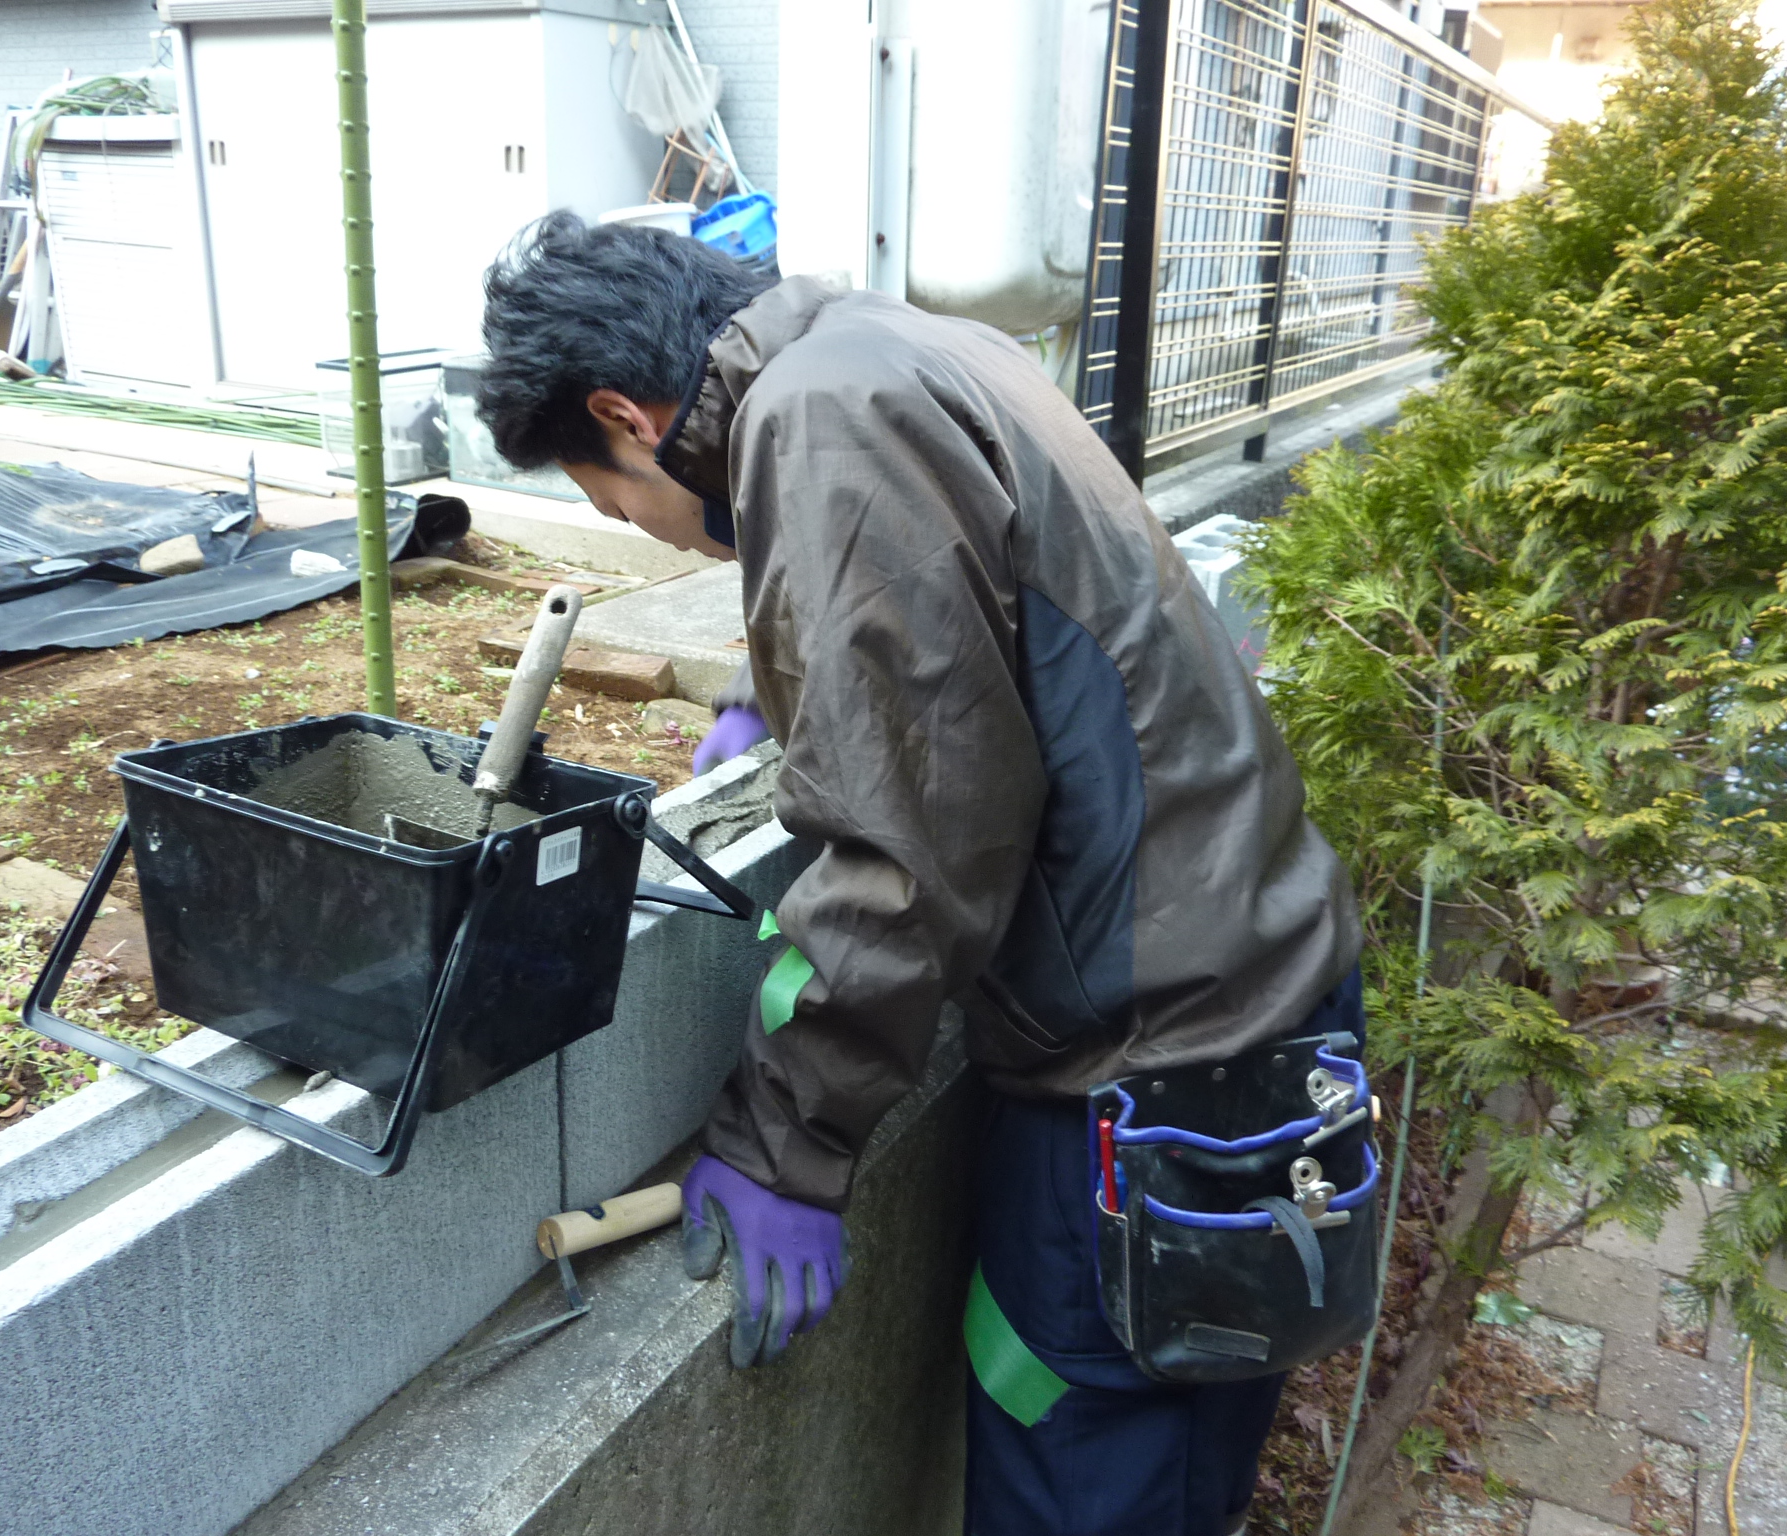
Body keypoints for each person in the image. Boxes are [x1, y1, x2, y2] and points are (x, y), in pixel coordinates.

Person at [474, 212, 1363, 1536]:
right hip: (1232, 988)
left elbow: (909, 856)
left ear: (626, 416)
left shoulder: (824, 417)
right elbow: (980, 617)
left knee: (1086, 1469)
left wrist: (784, 1144)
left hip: (1157, 1067)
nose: (653, 535)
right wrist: (787, 692)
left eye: (615, 502)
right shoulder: (892, 346)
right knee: (1124, 1440)